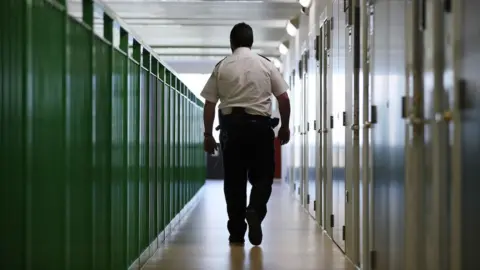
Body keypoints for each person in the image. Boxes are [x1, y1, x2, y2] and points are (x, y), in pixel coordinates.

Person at [200, 22, 291, 246]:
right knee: (263, 178)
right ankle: (255, 210)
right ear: (251, 42)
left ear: (231, 43)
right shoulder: (266, 65)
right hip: (260, 128)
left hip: (231, 129)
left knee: (234, 182)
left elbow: (210, 103)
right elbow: (284, 99)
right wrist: (285, 127)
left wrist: (208, 135)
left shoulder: (222, 66)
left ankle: (237, 233)